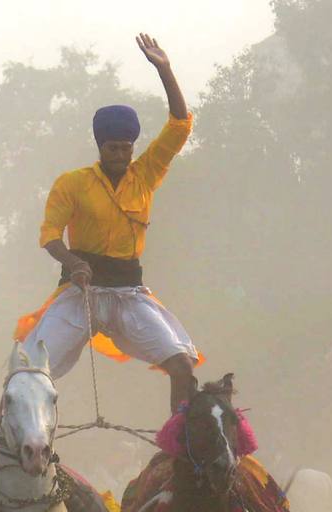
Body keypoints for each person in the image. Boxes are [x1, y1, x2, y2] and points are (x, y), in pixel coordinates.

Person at [14, 34, 199, 414]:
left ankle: (178, 447)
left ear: (133, 147)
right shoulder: (73, 183)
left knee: (182, 366)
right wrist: (74, 263)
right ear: (100, 147)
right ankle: (12, 443)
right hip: (81, 292)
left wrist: (164, 69)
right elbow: (49, 235)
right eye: (112, 148)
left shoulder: (145, 175)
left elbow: (180, 125)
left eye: (126, 148)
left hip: (130, 295)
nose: (119, 154)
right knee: (26, 369)